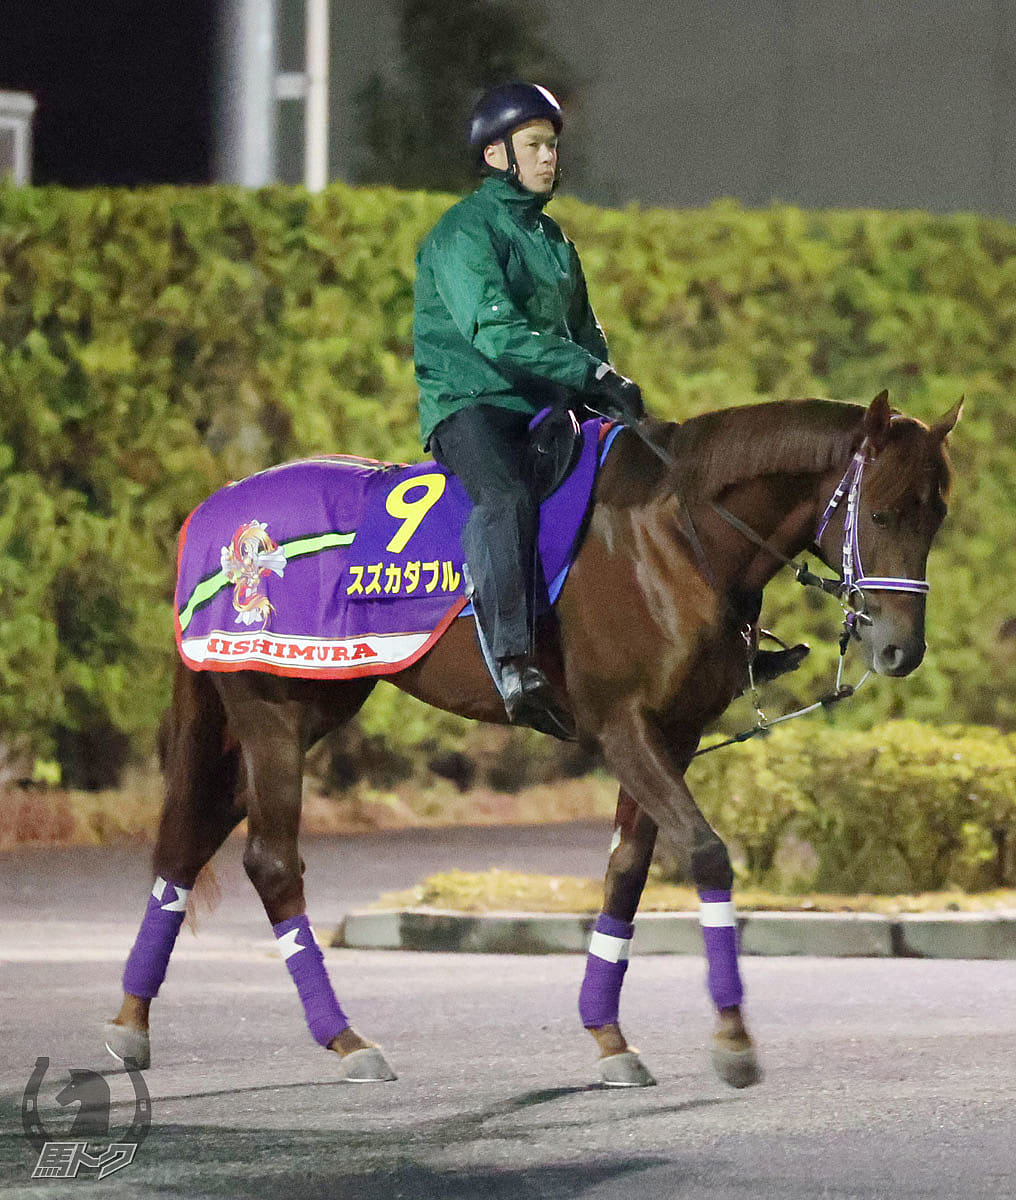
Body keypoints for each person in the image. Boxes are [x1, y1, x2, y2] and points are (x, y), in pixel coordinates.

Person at [413, 82, 641, 737]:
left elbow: (585, 335)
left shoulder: (553, 240)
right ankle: (512, 661)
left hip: (549, 412)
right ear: (495, 156)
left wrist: (612, 388)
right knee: (506, 498)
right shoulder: (461, 233)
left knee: (639, 478)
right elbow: (497, 334)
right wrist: (587, 372)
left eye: (552, 146)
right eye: (535, 146)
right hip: (474, 411)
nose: (550, 158)